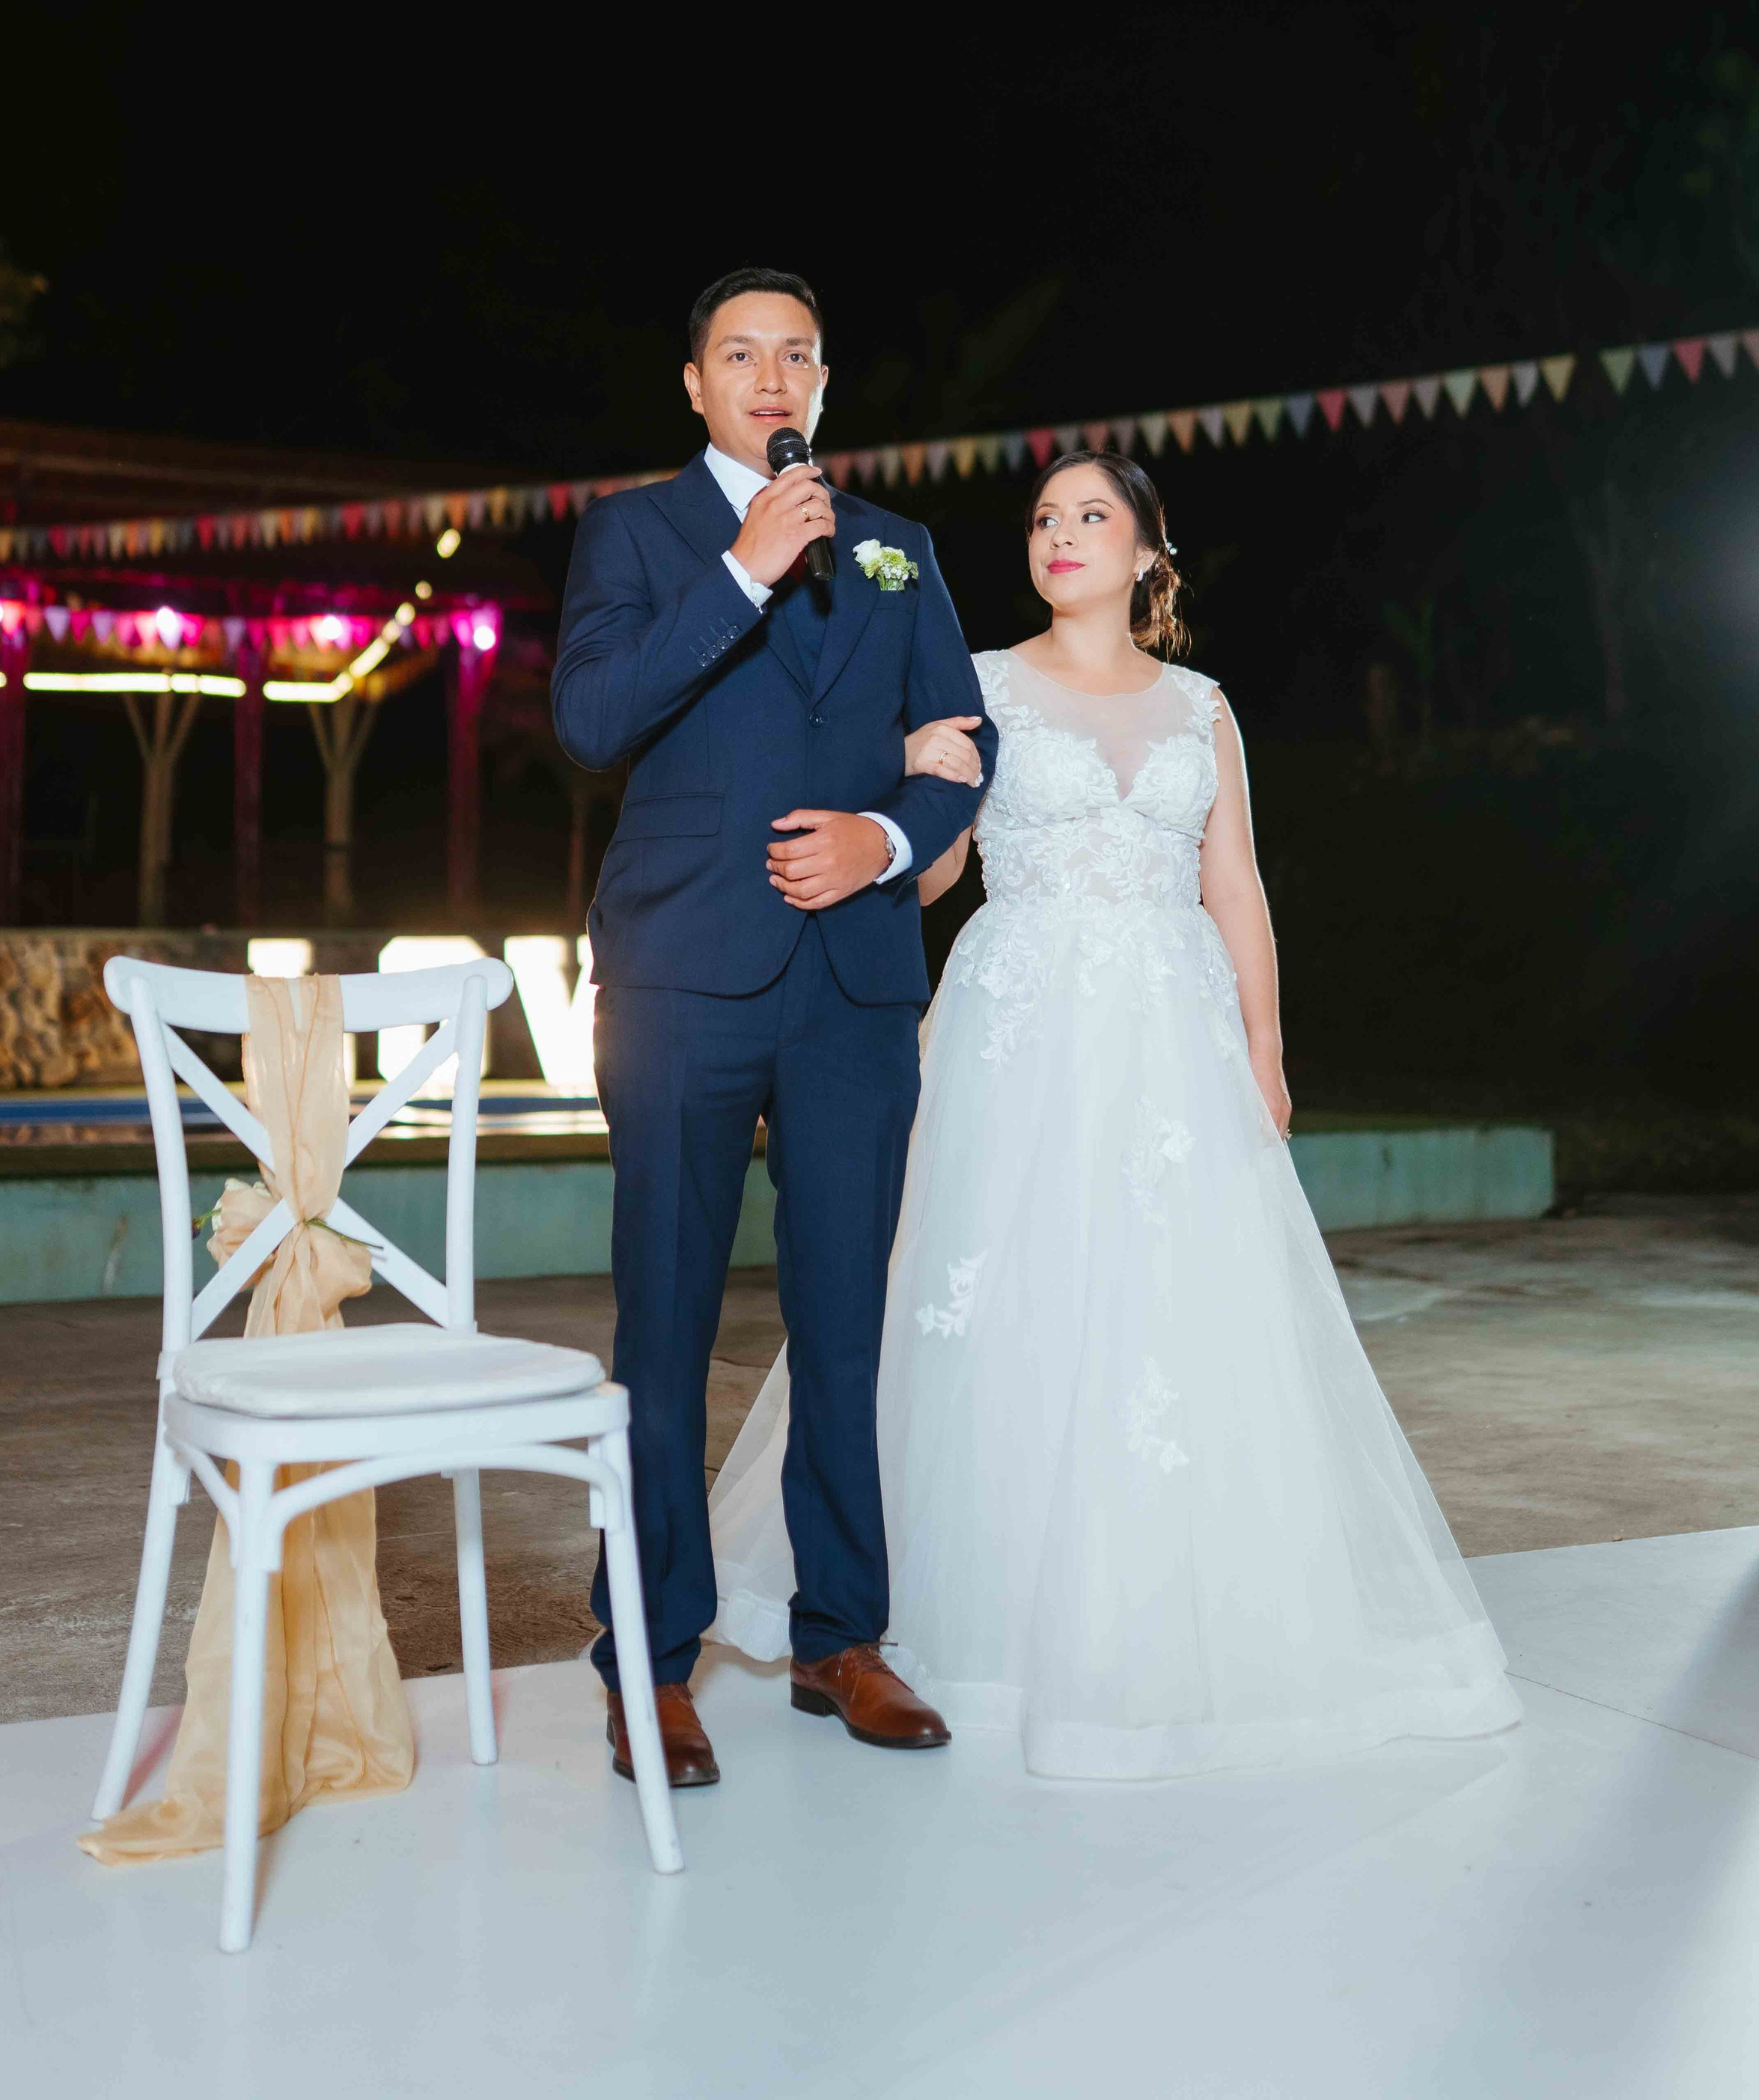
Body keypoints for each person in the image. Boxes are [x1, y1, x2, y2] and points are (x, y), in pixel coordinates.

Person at [710, 451, 1519, 1779]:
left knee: (1175, 1307)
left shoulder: (1203, 708)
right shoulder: (977, 680)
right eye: (1044, 518)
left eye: (1093, 516)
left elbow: (1236, 887)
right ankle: (913, 1614)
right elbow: (935, 875)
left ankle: (1174, 1611)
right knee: (995, 1298)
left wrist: (1264, 1045)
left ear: (1149, 553)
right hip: (1019, 1026)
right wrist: (901, 779)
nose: (1061, 535)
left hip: (1173, 1037)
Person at [551, 268, 996, 1786]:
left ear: (822, 382)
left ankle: (841, 1637)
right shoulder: (636, 532)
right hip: (681, 970)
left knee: (845, 1320)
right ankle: (651, 1658)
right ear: (696, 385)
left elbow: (962, 742)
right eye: (739, 355)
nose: (770, 378)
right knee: (665, 1319)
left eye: (795, 355)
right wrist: (739, 576)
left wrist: (887, 837)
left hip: (853, 981)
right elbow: (591, 723)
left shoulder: (896, 548)